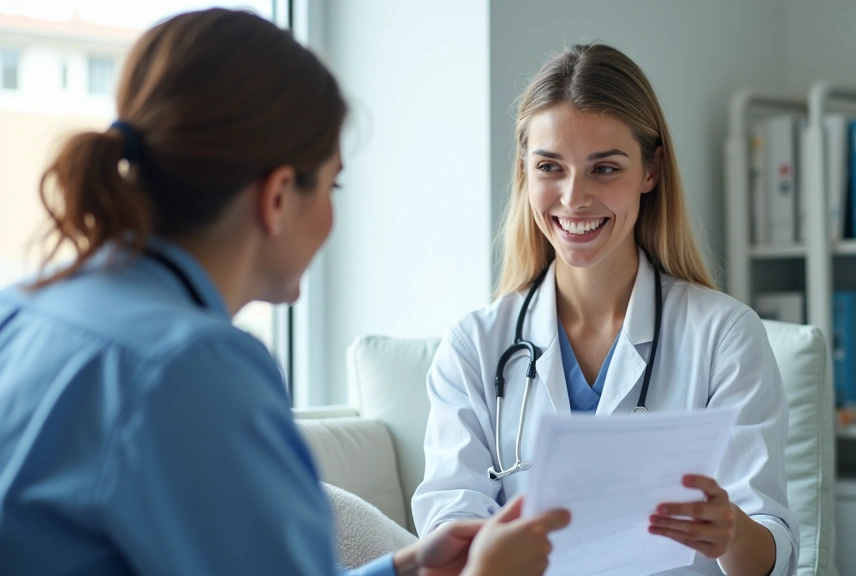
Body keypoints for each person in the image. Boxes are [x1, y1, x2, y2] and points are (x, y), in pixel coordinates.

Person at [0, 9, 569, 576]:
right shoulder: (195, 367)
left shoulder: (25, 306)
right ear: (276, 198)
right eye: (332, 184)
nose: (332, 214)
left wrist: (401, 570)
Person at [411, 43, 798, 576]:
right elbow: (449, 527)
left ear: (651, 170)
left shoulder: (724, 335)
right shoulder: (474, 346)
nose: (574, 198)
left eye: (604, 169)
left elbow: (772, 548)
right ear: (525, 171)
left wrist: (731, 531)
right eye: (550, 167)